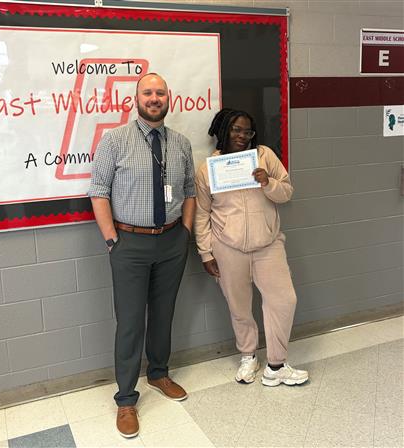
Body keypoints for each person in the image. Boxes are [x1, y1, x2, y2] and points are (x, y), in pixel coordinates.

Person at [88, 73, 196, 438]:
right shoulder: (114, 141)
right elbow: (98, 191)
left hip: (171, 242)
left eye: (160, 92)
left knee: (164, 314)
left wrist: (185, 232)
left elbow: (190, 190)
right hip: (129, 245)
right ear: (136, 99)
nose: (154, 98)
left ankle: (159, 374)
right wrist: (111, 239)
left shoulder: (180, 143)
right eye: (147, 92)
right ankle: (126, 399)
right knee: (131, 321)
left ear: (169, 98)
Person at [194, 108, 308, 387]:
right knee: (239, 307)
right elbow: (201, 213)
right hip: (227, 247)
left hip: (268, 244)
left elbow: (287, 192)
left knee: (284, 299)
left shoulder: (264, 156)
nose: (243, 136)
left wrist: (267, 183)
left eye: (247, 131)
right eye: (236, 129)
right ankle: (248, 356)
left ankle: (276, 364)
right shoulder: (208, 167)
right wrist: (206, 252)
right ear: (223, 130)